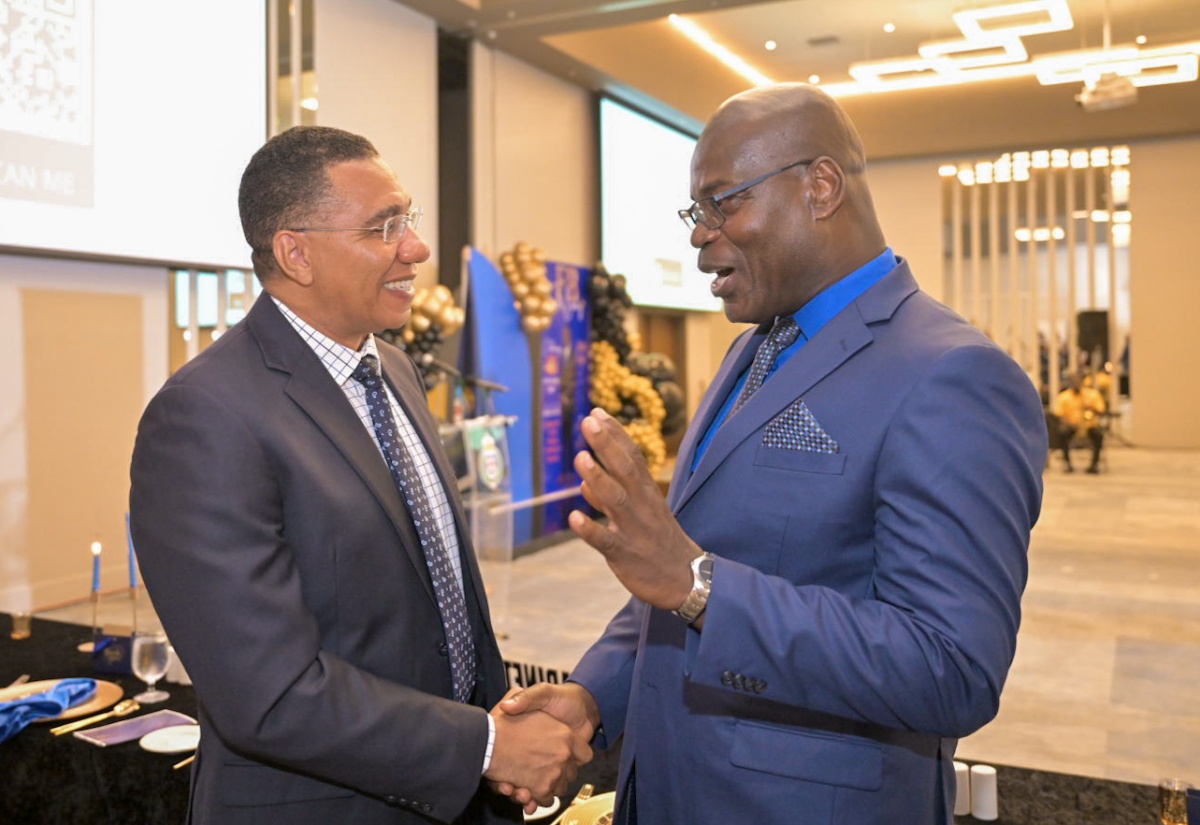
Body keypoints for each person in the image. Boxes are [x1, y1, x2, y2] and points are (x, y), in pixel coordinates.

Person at [496, 83, 1048, 823]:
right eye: (697, 211)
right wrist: (595, 694)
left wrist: (699, 585)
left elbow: (950, 668)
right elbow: (681, 576)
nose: (700, 233)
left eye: (723, 202)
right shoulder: (751, 352)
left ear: (819, 187)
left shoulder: (951, 374)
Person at [129, 126, 590, 824]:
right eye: (384, 228)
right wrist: (487, 744)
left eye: (409, 219)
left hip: (461, 794)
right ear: (295, 252)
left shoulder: (395, 369)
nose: (416, 248)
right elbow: (270, 693)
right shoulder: (204, 416)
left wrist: (501, 734)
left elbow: (436, 602)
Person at [1052, 372, 1107, 473]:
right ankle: (1067, 464)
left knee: (1098, 436)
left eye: (1078, 381)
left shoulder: (1092, 394)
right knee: (1062, 435)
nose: (1076, 384)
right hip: (1072, 425)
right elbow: (1059, 415)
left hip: (1089, 425)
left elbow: (1101, 411)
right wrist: (1069, 423)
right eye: (1073, 382)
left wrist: (1091, 408)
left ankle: (1094, 465)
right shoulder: (1064, 397)